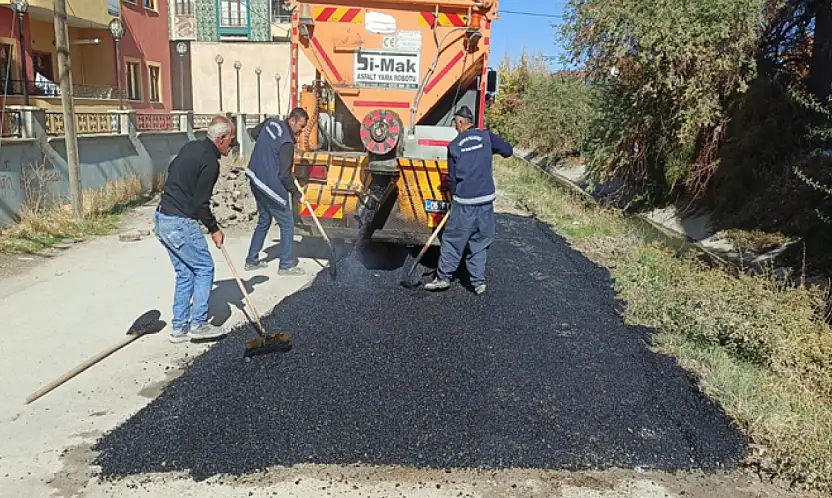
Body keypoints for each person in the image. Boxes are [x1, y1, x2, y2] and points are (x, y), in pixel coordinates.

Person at [155, 115, 237, 343]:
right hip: (180, 222)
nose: (232, 143)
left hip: (162, 218)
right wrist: (214, 228)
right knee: (204, 268)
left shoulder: (190, 147)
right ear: (220, 139)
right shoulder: (211, 164)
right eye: (230, 138)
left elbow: (172, 170)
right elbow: (201, 203)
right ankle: (198, 325)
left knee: (185, 273)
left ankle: (179, 328)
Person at [425, 106, 514, 295]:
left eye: (455, 123)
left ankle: (443, 278)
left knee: (453, 241)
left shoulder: (455, 145)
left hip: (465, 203)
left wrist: (456, 197)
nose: (455, 127)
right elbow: (508, 151)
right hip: (485, 202)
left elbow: (451, 178)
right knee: (480, 241)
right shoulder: (486, 137)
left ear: (459, 121)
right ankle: (478, 282)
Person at [244, 107, 309, 275]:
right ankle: (286, 265)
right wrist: (298, 194)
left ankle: (251, 260)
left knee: (264, 219)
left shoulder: (271, 122)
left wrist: (268, 152)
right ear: (292, 121)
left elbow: (254, 134)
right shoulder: (287, 143)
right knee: (287, 222)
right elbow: (285, 175)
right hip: (269, 184)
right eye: (300, 127)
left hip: (254, 176)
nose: (301, 132)